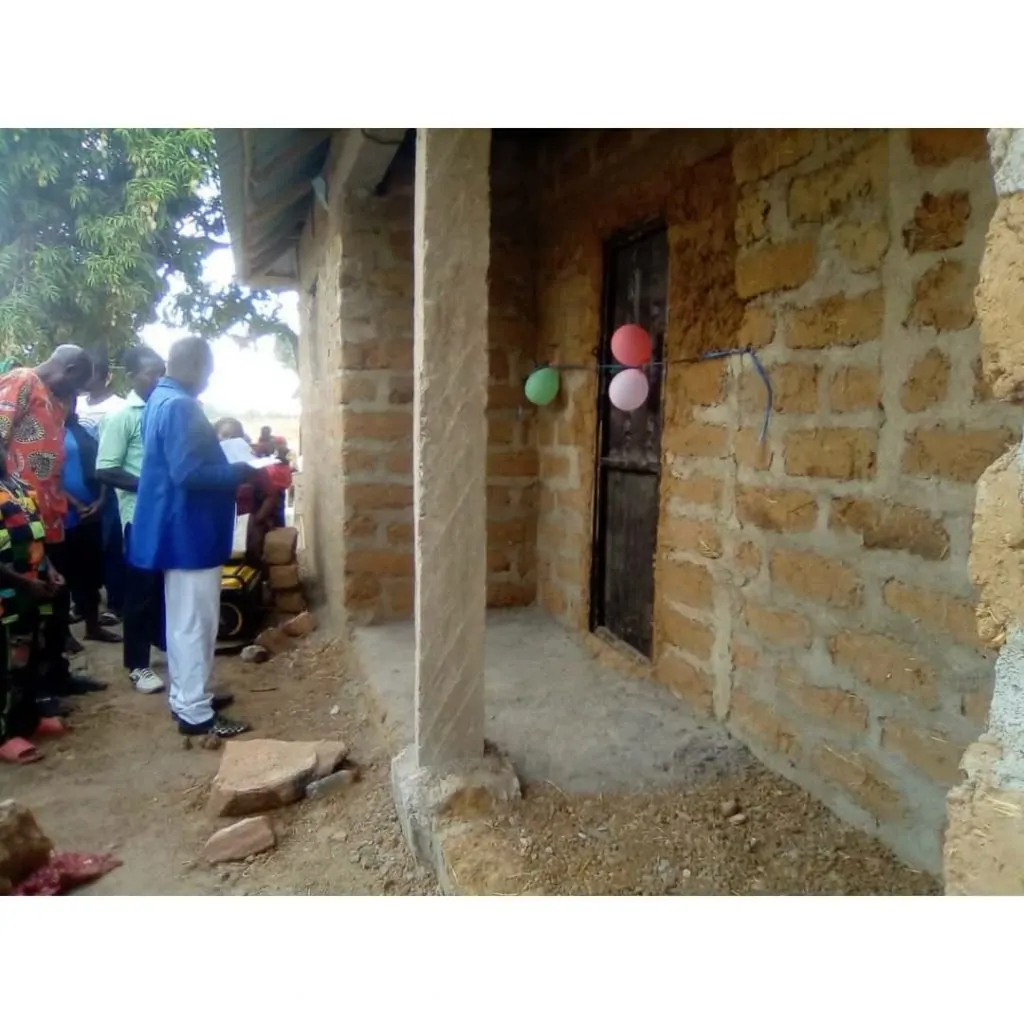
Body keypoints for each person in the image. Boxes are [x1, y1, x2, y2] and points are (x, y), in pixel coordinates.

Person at [130, 337, 255, 737]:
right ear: (197, 365)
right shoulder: (181, 406)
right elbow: (189, 473)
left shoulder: (160, 398)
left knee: (183, 621)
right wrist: (241, 471)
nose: (209, 379)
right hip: (190, 532)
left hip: (177, 529)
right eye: (209, 371)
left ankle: (187, 696)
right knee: (196, 623)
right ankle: (195, 712)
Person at [0, 346, 104, 705]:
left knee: (57, 598)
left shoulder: (55, 401)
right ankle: (31, 691)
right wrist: (11, 496)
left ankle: (57, 675)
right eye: (78, 384)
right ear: (69, 368)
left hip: (51, 517)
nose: (78, 394)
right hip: (19, 518)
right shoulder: (21, 381)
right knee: (27, 604)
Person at [96, 345, 167, 694]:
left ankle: (165, 643)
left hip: (169, 516)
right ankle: (137, 665)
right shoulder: (123, 417)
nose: (158, 379)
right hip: (140, 519)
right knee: (140, 592)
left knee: (166, 589)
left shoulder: (166, 410)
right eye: (151, 373)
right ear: (131, 376)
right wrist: (149, 486)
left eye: (162, 373)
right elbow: (105, 469)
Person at [0, 435, 67, 764]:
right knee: (6, 663)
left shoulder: (17, 486)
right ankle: (4, 735)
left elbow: (35, 536)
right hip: (7, 596)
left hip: (33, 589)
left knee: (31, 655)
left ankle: (28, 719)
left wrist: (49, 570)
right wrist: (26, 584)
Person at [53, 401, 121, 646]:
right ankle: (64, 634)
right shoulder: (47, 434)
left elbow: (103, 465)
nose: (68, 404)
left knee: (91, 574)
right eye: (63, 399)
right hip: (64, 515)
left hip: (92, 512)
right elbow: (49, 477)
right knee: (63, 576)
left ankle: (93, 627)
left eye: (72, 399)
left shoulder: (85, 431)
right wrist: (77, 504)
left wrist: (100, 501)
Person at [77, 349, 127, 625]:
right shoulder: (76, 404)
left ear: (106, 376)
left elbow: (114, 457)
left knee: (111, 545)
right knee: (83, 547)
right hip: (80, 488)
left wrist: (104, 496)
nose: (85, 378)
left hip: (109, 489)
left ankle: (116, 603)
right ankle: (85, 604)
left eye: (91, 372)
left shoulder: (118, 408)